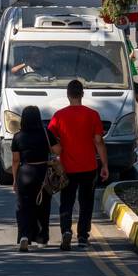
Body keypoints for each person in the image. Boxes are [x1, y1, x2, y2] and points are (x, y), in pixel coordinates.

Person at [48, 79, 109, 250]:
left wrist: (56, 153)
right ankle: (83, 236)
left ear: (68, 95)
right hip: (89, 166)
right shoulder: (93, 115)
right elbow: (98, 141)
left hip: (67, 167)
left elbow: (50, 137)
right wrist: (104, 165)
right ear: (82, 94)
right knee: (86, 202)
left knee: (66, 201)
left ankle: (66, 230)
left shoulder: (59, 116)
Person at [11, 105, 59, 253]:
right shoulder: (46, 133)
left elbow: (15, 161)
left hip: (25, 172)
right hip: (43, 173)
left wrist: (14, 180)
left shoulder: (18, 136)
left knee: (24, 206)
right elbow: (58, 150)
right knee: (43, 206)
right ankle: (42, 239)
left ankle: (25, 235)